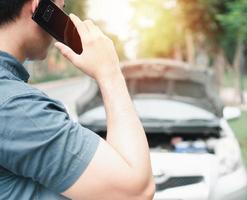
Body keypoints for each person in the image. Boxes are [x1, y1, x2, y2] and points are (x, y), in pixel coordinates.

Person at [0, 0, 155, 199]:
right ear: (38, 6)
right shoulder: (15, 107)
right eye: (61, 9)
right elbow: (136, 192)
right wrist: (110, 72)